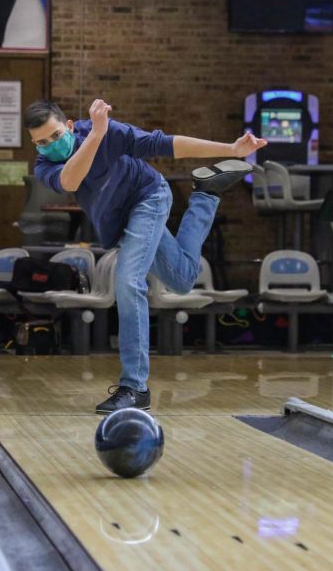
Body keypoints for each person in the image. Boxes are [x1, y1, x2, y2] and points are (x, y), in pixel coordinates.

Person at [26, 98, 266, 414]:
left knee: (127, 281)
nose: (51, 145)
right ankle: (206, 193)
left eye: (56, 136)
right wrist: (95, 136)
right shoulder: (46, 164)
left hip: (149, 198)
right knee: (181, 280)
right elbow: (70, 179)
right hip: (123, 222)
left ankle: (135, 387)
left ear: (69, 126)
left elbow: (163, 144)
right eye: (42, 143)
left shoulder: (109, 132)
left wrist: (231, 149)